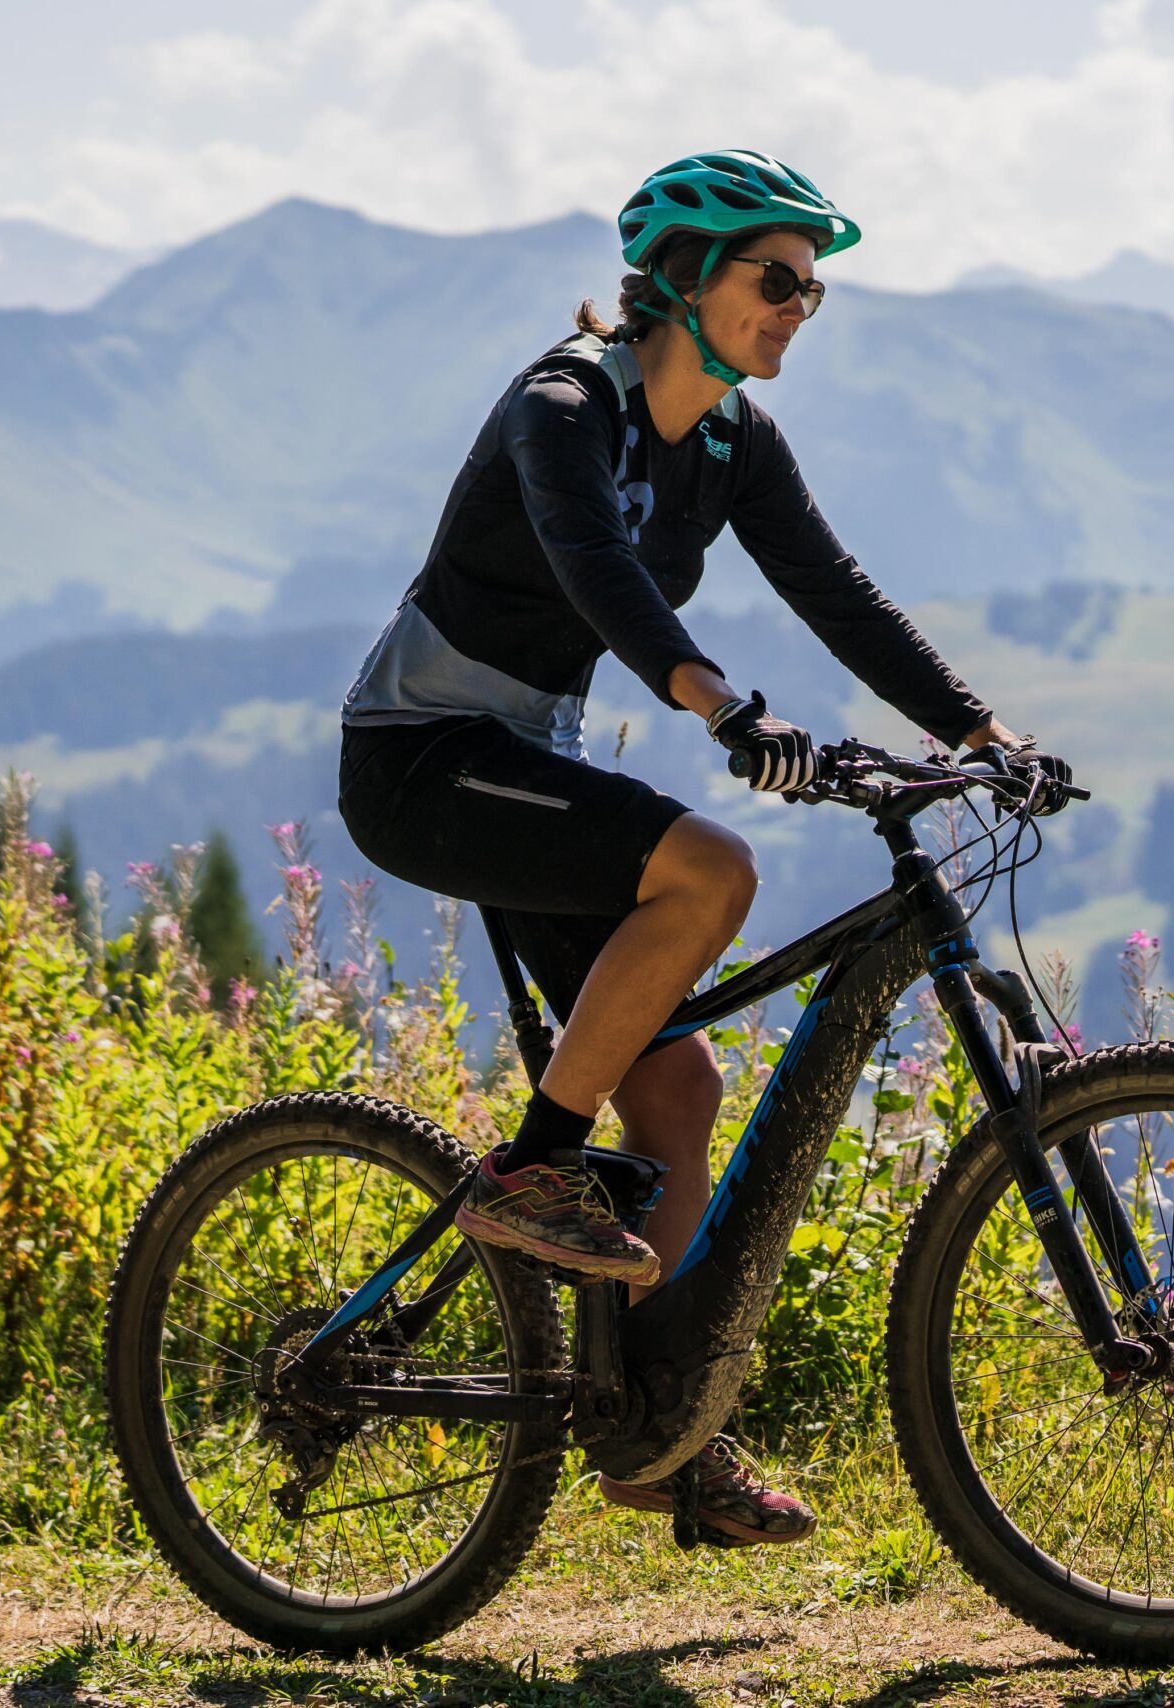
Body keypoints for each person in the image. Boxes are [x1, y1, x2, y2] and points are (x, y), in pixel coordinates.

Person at [337, 150, 1071, 1545]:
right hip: (423, 764)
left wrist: (977, 730)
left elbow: (833, 587)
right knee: (712, 870)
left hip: (526, 768)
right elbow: (592, 565)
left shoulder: (732, 439)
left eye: (816, 287)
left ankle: (654, 1441)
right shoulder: (565, 403)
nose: (802, 304)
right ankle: (532, 1170)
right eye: (777, 277)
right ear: (682, 276)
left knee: (676, 1098)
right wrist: (718, 703)